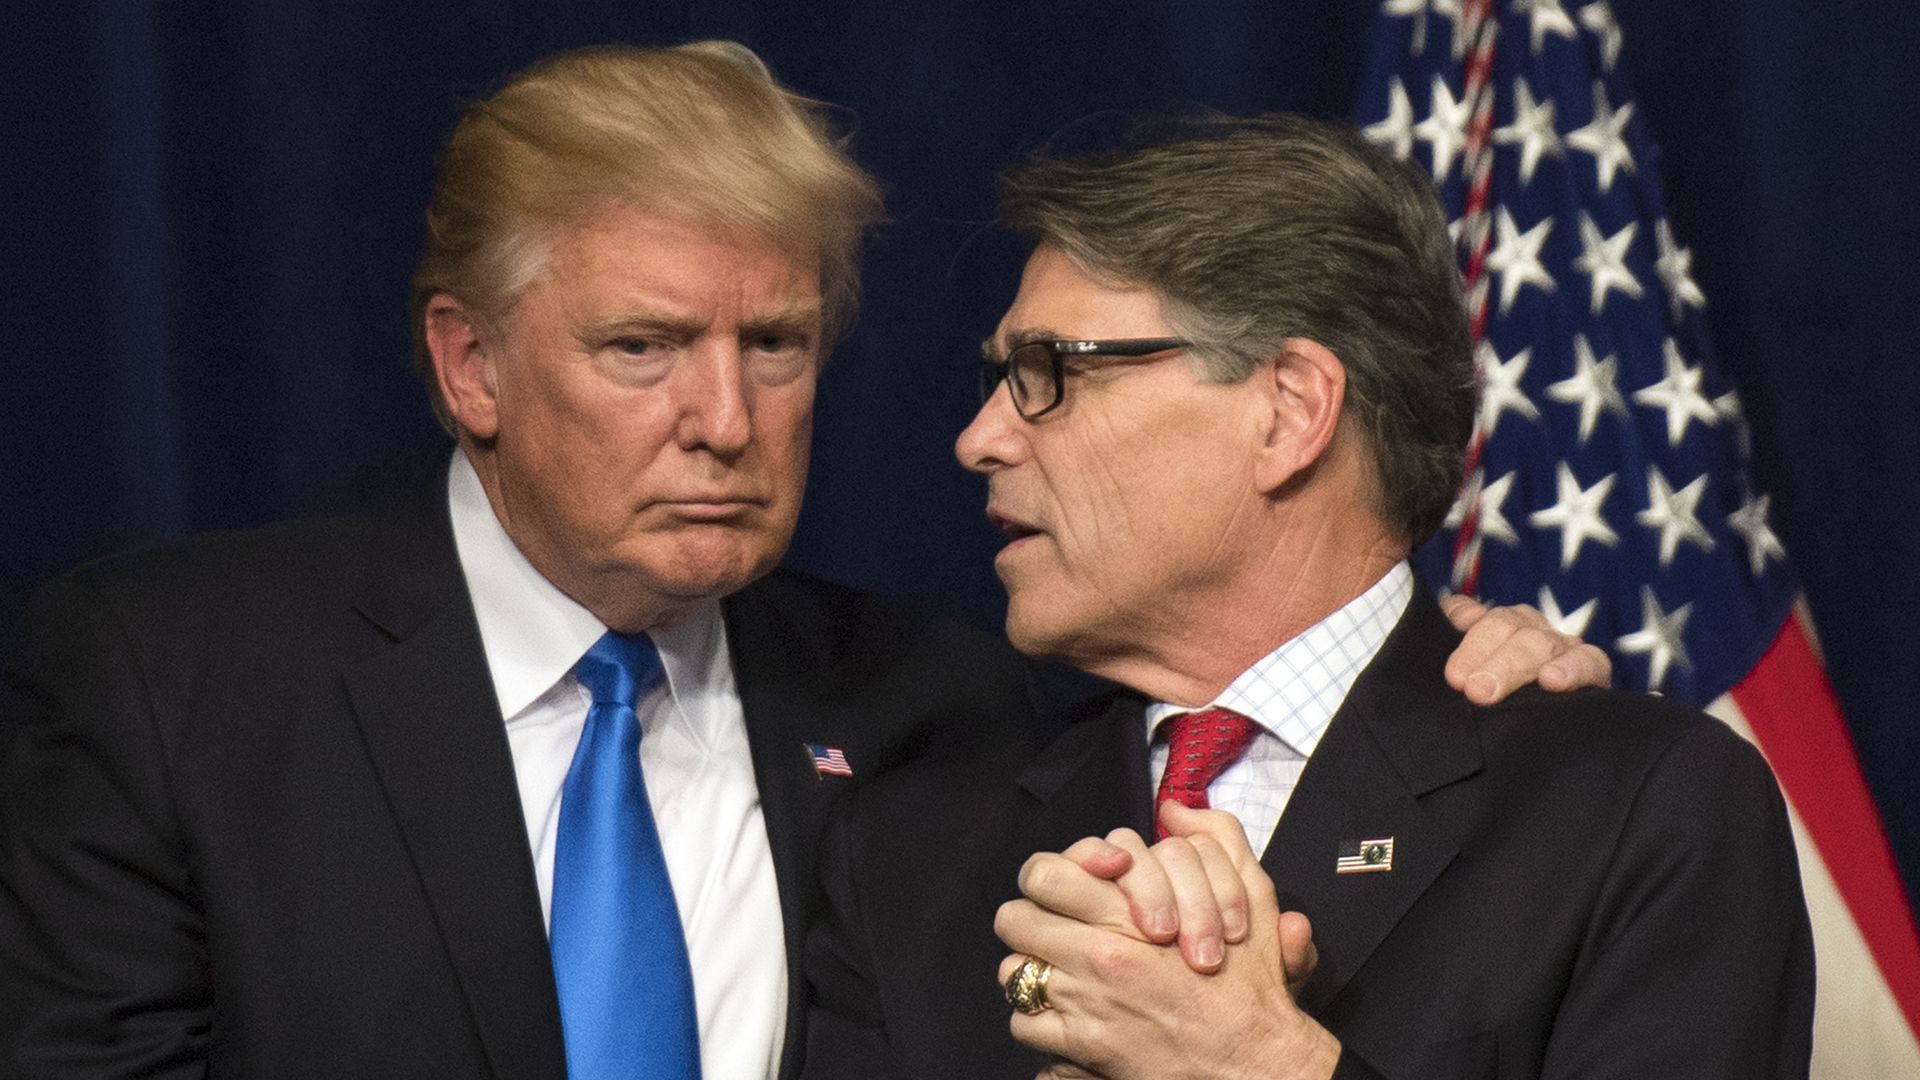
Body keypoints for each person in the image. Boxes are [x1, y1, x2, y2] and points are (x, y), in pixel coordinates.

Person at [0, 45, 1606, 1080]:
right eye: (644, 347)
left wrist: (1437, 654)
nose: (723, 417)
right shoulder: (169, 685)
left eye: (775, 343)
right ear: (470, 366)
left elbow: (1284, 680)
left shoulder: (956, 713)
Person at [800, 114, 1813, 1080]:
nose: (981, 438)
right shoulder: (908, 850)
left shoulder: (1637, 812)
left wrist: (1257, 1063)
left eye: (1047, 372)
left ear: (1288, 412)